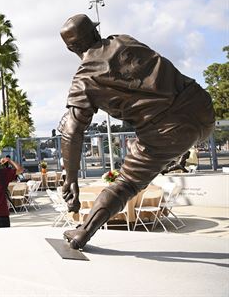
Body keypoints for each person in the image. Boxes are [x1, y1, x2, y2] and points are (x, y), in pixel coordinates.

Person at [57, 14, 215, 250]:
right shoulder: (123, 40)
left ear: (71, 48)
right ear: (95, 32)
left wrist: (70, 179)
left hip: (166, 132)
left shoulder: (84, 79)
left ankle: (83, 232)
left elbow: (71, 131)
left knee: (125, 185)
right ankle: (175, 157)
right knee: (151, 149)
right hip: (201, 107)